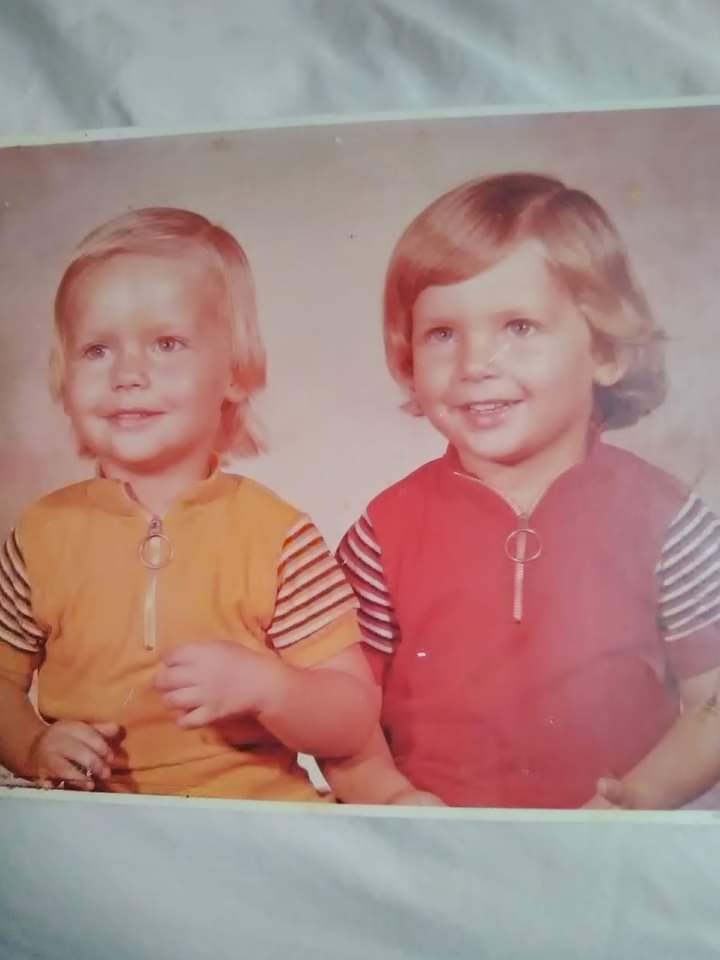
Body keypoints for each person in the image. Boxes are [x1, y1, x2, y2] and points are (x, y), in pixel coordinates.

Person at [328, 173, 720, 809]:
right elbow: (335, 711)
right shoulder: (384, 532)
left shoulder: (668, 522)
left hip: (606, 846)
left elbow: (714, 703)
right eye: (442, 334)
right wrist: (389, 798)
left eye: (518, 326)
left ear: (605, 351)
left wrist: (637, 800)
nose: (474, 363)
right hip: (431, 841)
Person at [0, 207, 377, 800]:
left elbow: (352, 718)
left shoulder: (277, 536)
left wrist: (271, 689)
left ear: (234, 373)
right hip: (94, 821)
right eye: (97, 350)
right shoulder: (41, 534)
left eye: (166, 343)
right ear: (63, 378)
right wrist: (31, 746)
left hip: (250, 819)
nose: (128, 374)